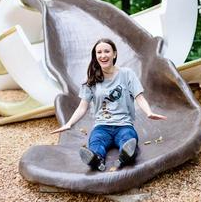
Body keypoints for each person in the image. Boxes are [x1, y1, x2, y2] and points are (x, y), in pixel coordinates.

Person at [51, 38, 167, 171]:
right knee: (96, 141)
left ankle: (125, 156)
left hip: (123, 124)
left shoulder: (127, 74)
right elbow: (82, 106)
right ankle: (95, 158)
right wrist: (69, 123)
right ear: (95, 56)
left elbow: (139, 97)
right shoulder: (91, 80)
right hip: (102, 126)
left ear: (114, 54)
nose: (103, 55)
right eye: (99, 52)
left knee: (128, 138)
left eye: (107, 51)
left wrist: (148, 112)